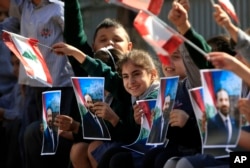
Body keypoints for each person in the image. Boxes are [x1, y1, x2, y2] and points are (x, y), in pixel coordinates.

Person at [0, 52, 24, 168]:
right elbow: (7, 101)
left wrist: (4, 113)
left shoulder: (31, 88)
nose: (14, 70)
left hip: (19, 131)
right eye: (13, 64)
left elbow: (21, 115)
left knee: (14, 125)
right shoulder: (17, 86)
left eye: (18, 64)